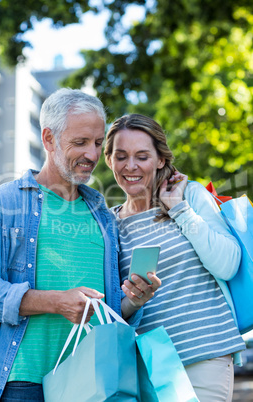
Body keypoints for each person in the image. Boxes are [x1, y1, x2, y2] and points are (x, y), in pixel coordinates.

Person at [0, 91, 161, 402]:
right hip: (25, 383)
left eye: (97, 142)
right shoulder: (6, 202)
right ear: (49, 139)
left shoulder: (103, 216)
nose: (92, 155)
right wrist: (54, 302)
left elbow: (109, 307)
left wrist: (133, 301)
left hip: (95, 382)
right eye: (80, 143)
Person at [104, 113, 246, 402]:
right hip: (148, 365)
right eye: (121, 156)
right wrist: (132, 301)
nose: (130, 166)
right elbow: (110, 310)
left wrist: (179, 209)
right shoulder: (109, 224)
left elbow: (228, 264)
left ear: (160, 159)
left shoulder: (190, 196)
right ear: (109, 160)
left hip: (206, 354)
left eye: (142, 156)